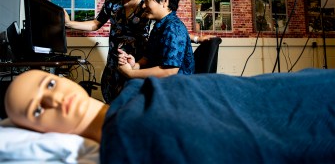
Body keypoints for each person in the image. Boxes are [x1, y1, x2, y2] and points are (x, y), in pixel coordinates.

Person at [4, 68, 335, 163]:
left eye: (48, 83)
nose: (53, 98)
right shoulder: (126, 144)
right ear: (36, 130)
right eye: (36, 109)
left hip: (300, 90)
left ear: (63, 77)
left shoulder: (138, 95)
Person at [64, 0, 213, 103]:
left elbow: (170, 64)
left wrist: (132, 73)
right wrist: (136, 64)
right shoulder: (157, 23)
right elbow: (159, 47)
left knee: (131, 103)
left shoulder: (161, 20)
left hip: (166, 86)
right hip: (131, 62)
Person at [117, 0, 194, 79]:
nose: (143, 6)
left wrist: (130, 73)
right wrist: (134, 65)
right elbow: (148, 58)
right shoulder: (160, 25)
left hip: (176, 89)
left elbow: (169, 72)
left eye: (147, 0)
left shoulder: (173, 28)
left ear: (164, 1)